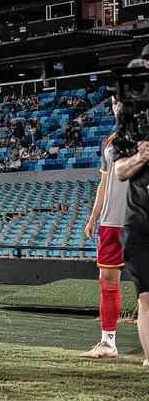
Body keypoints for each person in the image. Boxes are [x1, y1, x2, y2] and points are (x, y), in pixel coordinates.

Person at [80, 96, 129, 359]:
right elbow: (103, 185)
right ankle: (108, 343)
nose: (117, 105)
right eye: (114, 101)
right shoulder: (108, 142)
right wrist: (93, 218)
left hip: (140, 220)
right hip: (110, 222)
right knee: (107, 281)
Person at [112, 49, 149, 368]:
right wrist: (141, 157)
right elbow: (119, 170)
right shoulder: (130, 124)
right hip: (139, 221)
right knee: (147, 297)